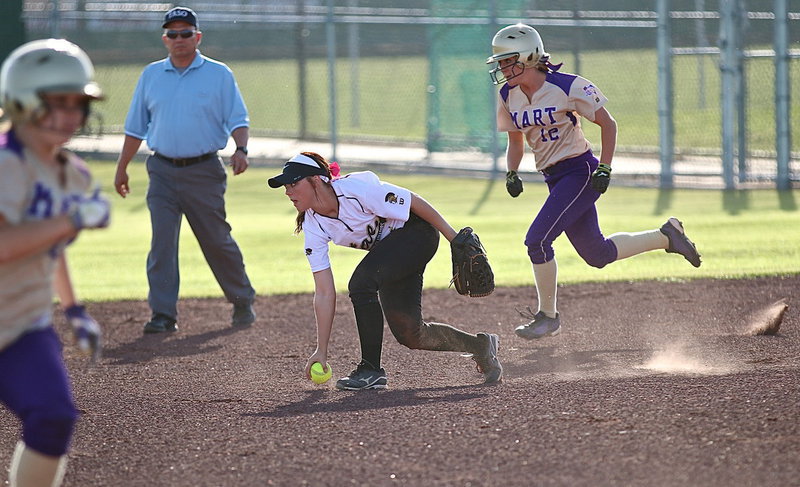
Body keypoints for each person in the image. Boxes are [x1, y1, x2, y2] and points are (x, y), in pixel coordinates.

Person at [485, 24, 702, 340]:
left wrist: (605, 168)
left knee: (537, 240)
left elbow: (608, 124)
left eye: (508, 60)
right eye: (501, 62)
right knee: (596, 254)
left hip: (580, 171)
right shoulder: (508, 95)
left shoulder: (566, 86)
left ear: (530, 56)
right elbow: (516, 141)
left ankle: (548, 316)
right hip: (554, 177)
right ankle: (666, 236)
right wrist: (512, 171)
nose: (503, 68)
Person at [268, 152, 503, 390]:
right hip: (391, 254)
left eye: (293, 183)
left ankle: (371, 369)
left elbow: (413, 201)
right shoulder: (313, 226)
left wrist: (453, 237)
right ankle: (481, 346)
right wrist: (321, 350)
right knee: (411, 334)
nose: (288, 191)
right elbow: (324, 292)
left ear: (316, 180)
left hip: (417, 233)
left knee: (361, 283)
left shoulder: (355, 189)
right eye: (286, 186)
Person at [0, 39, 110, 487]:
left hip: (22, 325)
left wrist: (75, 310)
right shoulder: (7, 163)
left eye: (78, 104)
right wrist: (72, 217)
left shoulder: (73, 173)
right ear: (23, 101)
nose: (70, 115)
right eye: (57, 102)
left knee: (53, 417)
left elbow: (54, 244)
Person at [113, 6, 256, 334]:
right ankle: (163, 314)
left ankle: (241, 300)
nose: (179, 39)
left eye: (185, 33)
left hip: (204, 170)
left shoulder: (219, 74)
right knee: (162, 242)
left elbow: (238, 119)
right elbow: (136, 127)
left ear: (198, 36)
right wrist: (122, 168)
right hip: (161, 170)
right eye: (172, 34)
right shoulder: (151, 75)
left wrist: (242, 149)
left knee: (216, 240)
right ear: (165, 39)